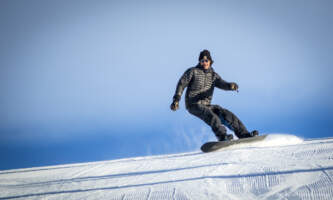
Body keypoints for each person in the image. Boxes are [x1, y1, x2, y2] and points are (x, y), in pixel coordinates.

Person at [170, 49, 258, 141]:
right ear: (199, 62)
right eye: (202, 61)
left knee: (227, 115)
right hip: (193, 104)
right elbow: (181, 83)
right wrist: (176, 99)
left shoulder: (213, 75)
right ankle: (222, 136)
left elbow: (222, 83)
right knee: (212, 117)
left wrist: (230, 86)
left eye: (206, 61)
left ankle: (244, 134)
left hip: (207, 105)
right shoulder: (193, 71)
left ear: (210, 62)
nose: (204, 63)